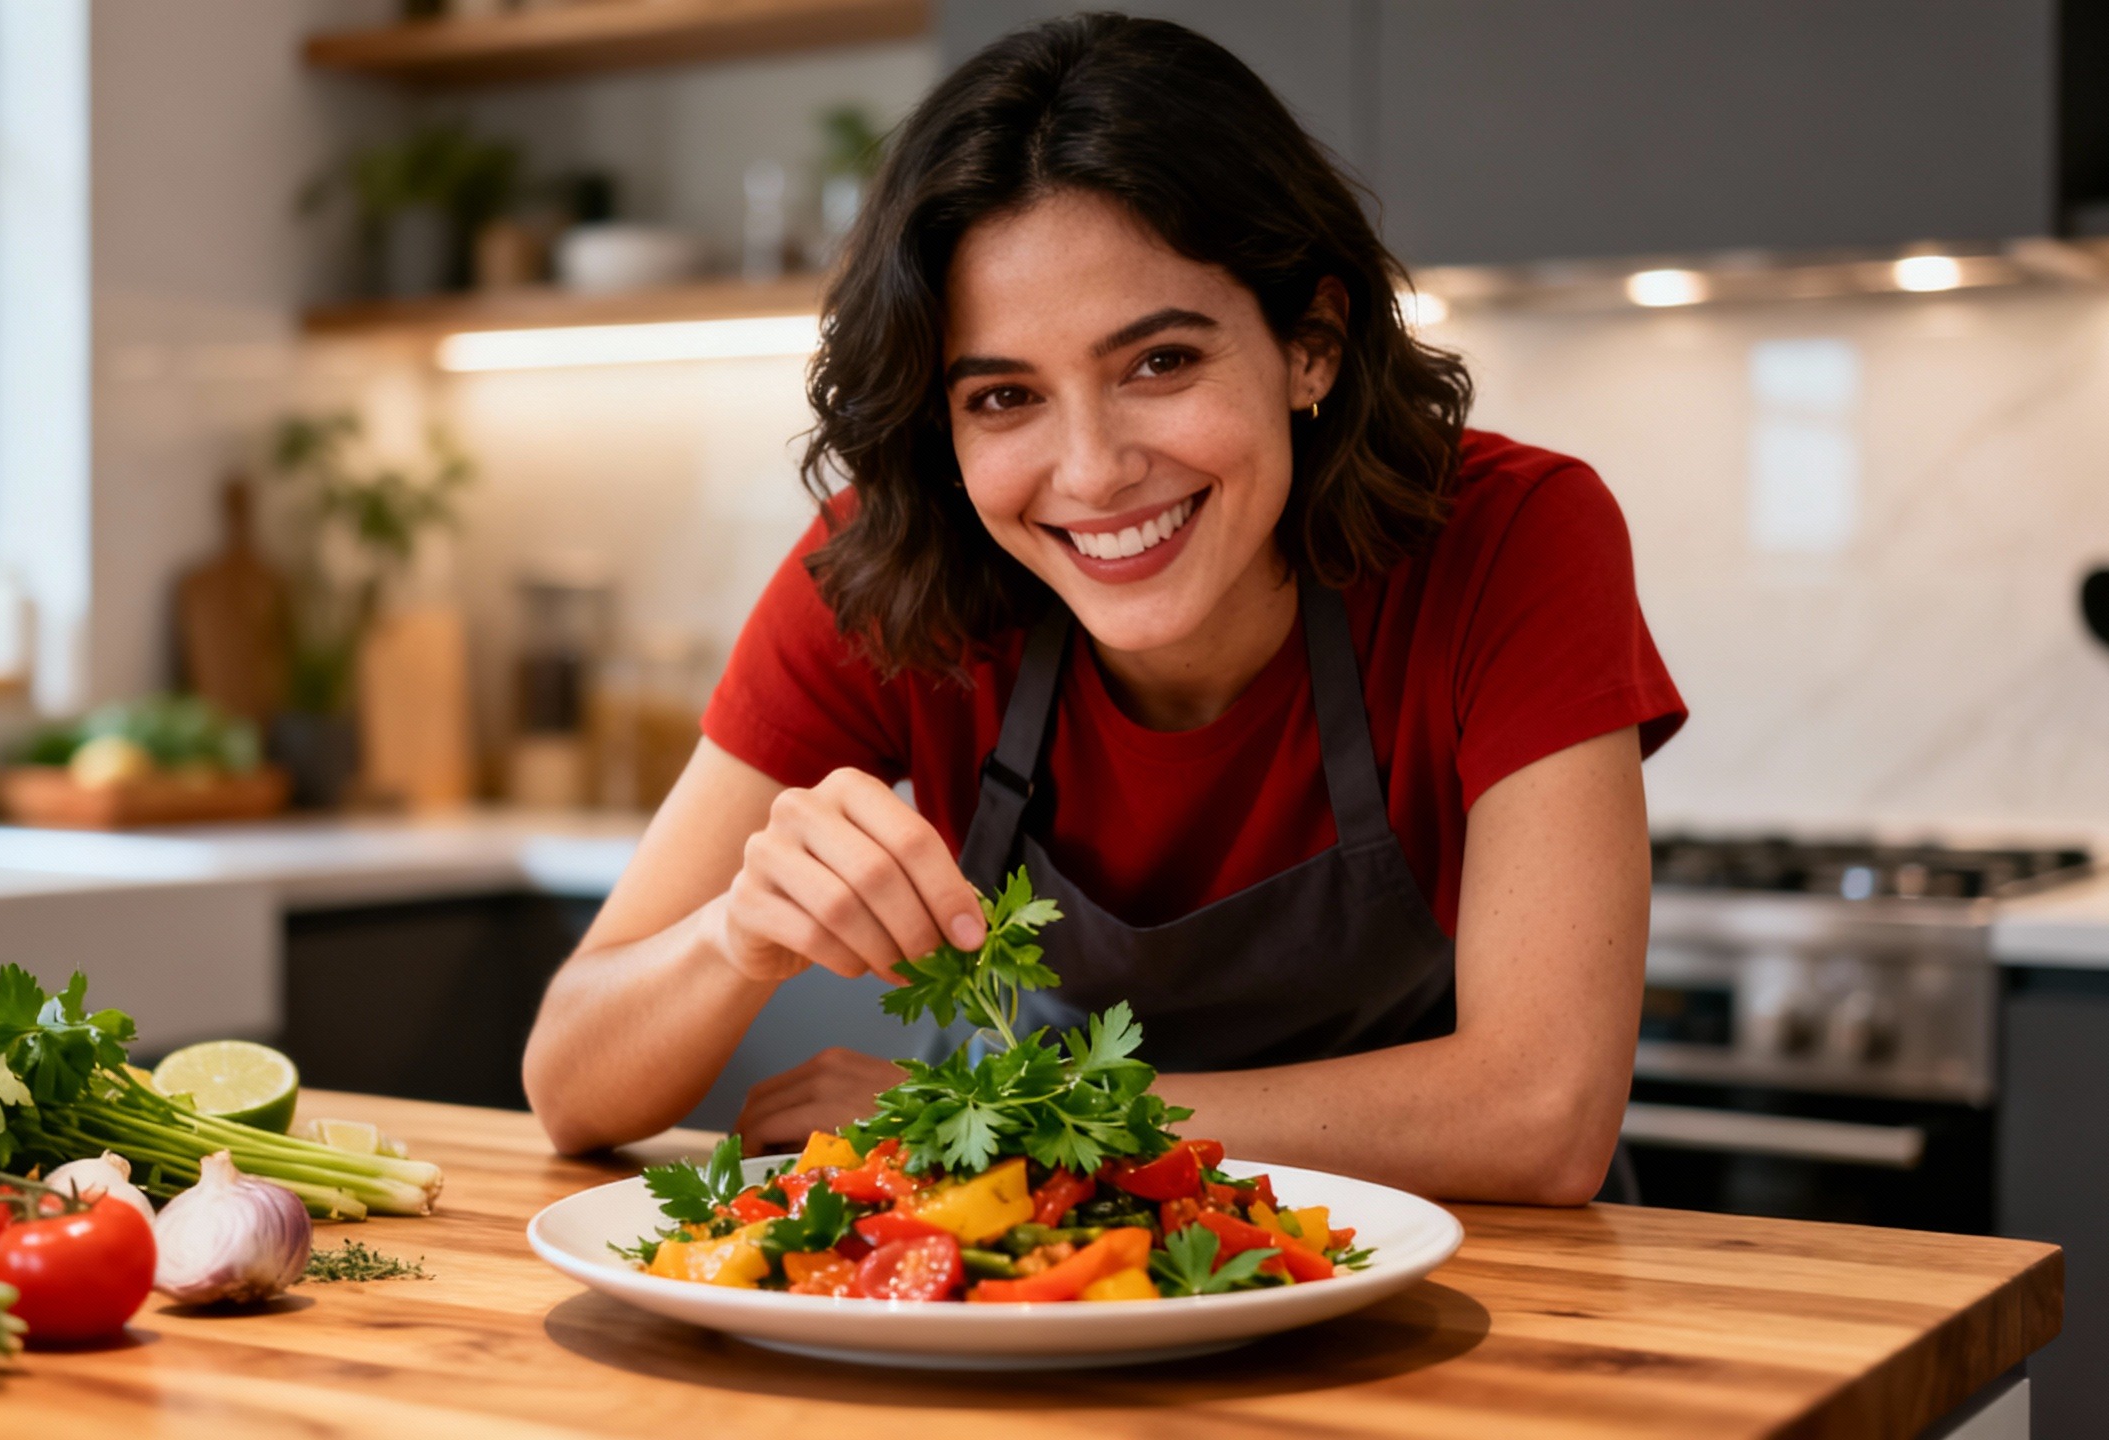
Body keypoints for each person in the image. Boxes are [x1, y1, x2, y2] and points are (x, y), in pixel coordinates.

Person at [523, 13, 1685, 1203]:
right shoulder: (884, 568)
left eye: (1160, 363)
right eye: (1003, 396)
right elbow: (570, 1081)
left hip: (1464, 1305)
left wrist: (1000, 1117)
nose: (1090, 472)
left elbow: (1540, 1117)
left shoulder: (1512, 538)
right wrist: (736, 939)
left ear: (1311, 345)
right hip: (1045, 1291)